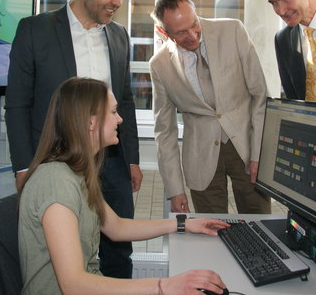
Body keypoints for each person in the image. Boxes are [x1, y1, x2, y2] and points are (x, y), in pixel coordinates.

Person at [18, 77, 229, 295]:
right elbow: (73, 285)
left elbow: (117, 227)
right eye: (113, 112)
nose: (119, 120)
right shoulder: (55, 182)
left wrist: (183, 223)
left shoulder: (76, 174)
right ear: (91, 122)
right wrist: (163, 286)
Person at [5, 0, 142, 278]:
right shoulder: (35, 30)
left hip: (110, 159)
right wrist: (24, 166)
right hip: (59, 160)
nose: (117, 2)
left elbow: (125, 101)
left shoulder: (119, 35)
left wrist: (131, 159)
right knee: (65, 253)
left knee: (120, 253)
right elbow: (17, 104)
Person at [149, 0, 271, 215]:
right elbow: (164, 131)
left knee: (259, 221)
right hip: (201, 158)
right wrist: (175, 189)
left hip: (246, 144)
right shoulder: (159, 65)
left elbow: (259, 95)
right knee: (211, 230)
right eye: (181, 32)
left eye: (194, 24)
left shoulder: (232, 31)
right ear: (164, 32)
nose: (192, 36)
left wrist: (259, 155)